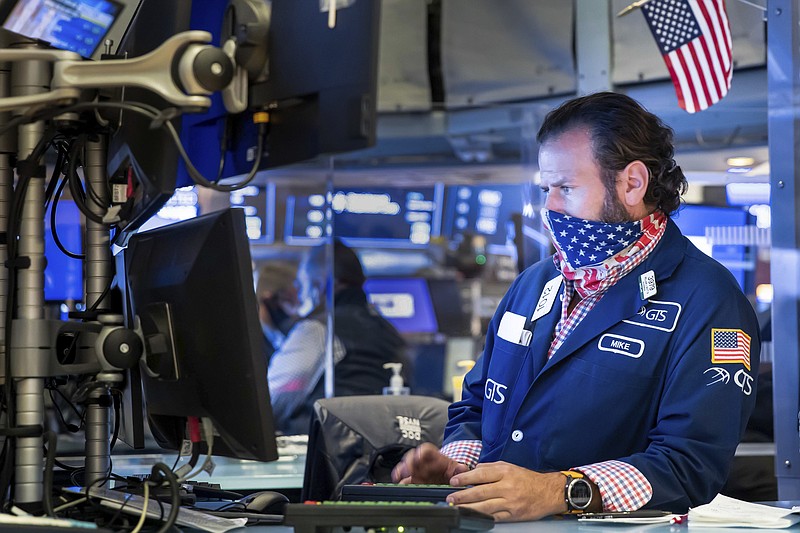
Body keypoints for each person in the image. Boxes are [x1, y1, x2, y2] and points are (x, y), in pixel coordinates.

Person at [392, 92, 760, 521]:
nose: (550, 207)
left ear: (632, 183)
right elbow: (476, 406)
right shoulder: (534, 283)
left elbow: (691, 464)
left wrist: (562, 490)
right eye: (547, 188)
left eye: (566, 188)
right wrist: (459, 468)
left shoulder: (709, 299)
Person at [268, 239, 409, 435]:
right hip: (383, 449)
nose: (302, 295)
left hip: (326, 450)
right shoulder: (388, 330)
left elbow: (272, 401)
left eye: (303, 283)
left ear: (319, 285)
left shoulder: (317, 329)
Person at [255, 260, 300, 361]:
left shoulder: (279, 334)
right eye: (290, 301)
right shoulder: (254, 339)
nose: (298, 303)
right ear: (269, 298)